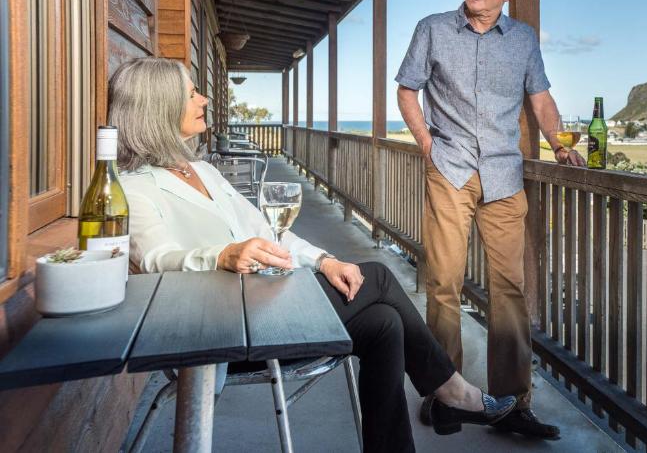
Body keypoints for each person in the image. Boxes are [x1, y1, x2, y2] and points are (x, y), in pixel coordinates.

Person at [108, 57, 516, 453]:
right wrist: (222, 254)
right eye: (192, 93)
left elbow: (269, 233)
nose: (204, 100)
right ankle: (453, 392)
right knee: (377, 277)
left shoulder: (203, 171)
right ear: (158, 106)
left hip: (258, 308)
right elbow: (155, 259)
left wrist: (325, 261)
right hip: (217, 332)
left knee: (384, 323)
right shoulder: (133, 188)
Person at [396, 0, 585, 440]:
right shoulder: (433, 29)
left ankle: (514, 404)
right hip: (451, 168)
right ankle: (445, 395)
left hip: (504, 174)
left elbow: (540, 98)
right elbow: (407, 88)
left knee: (510, 290)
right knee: (443, 282)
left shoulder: (522, 39)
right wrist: (425, 141)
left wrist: (560, 145)